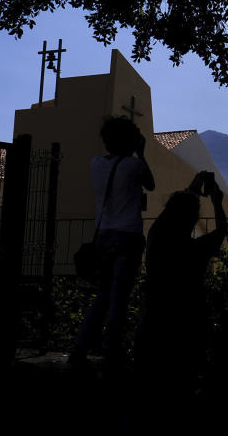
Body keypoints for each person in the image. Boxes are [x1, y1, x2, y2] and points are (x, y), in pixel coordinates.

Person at [70, 116, 155, 369]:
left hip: (103, 237)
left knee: (104, 295)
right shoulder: (133, 166)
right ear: (130, 140)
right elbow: (151, 184)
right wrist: (141, 152)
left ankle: (80, 348)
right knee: (120, 297)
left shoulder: (96, 163)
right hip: (127, 237)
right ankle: (112, 352)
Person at [135, 171, 228, 391]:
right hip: (186, 323)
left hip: (153, 320)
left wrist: (193, 188)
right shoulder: (193, 250)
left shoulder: (156, 237)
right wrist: (217, 202)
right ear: (193, 219)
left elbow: (173, 213)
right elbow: (222, 231)